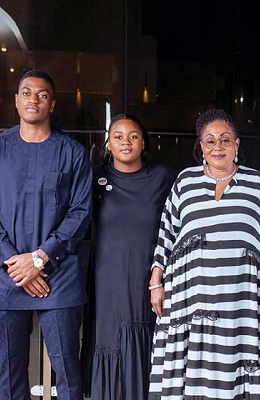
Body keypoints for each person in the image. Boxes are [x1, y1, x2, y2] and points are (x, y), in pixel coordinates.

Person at [147, 109, 260, 399]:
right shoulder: (185, 182)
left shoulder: (256, 183)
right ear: (200, 147)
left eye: (225, 140)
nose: (217, 147)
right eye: (209, 141)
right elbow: (166, 233)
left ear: (237, 144)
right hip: (189, 300)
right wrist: (156, 281)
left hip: (243, 303)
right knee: (194, 371)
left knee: (239, 361)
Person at [0, 70, 92, 400]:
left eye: (42, 95)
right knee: (11, 374)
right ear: (16, 101)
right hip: (6, 275)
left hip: (59, 275)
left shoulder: (72, 153)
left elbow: (80, 213)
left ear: (51, 104)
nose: (33, 99)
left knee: (68, 371)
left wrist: (40, 259)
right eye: (26, 93)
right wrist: (17, 264)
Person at [81, 114, 175, 399]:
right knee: (109, 344)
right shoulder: (94, 179)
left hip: (147, 279)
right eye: (118, 136)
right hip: (106, 279)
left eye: (133, 136)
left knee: (144, 344)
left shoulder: (163, 177)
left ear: (143, 142)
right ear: (108, 142)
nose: (126, 142)